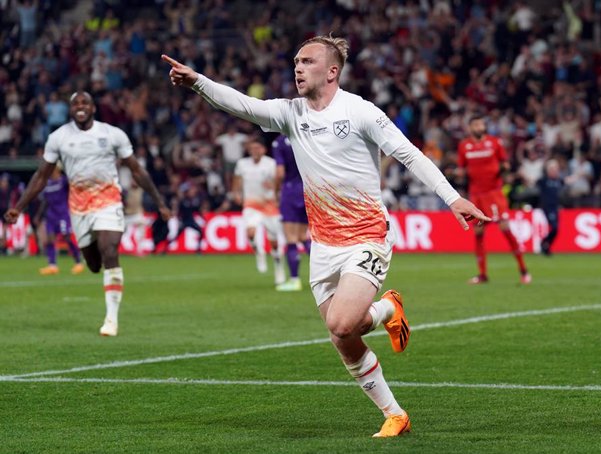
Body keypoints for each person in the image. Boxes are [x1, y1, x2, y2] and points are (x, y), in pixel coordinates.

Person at [162, 35, 489, 437]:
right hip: (324, 243)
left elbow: (409, 153)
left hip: (368, 234)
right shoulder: (289, 113)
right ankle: (395, 412)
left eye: (307, 61)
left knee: (340, 323)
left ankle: (386, 310)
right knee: (343, 338)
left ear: (332, 71)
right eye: (296, 61)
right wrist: (198, 82)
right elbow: (242, 105)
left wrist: (452, 198)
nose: (297, 68)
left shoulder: (361, 111)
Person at [3, 91, 171, 336]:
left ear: (93, 108)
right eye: (75, 104)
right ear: (71, 110)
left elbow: (137, 170)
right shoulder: (58, 138)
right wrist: (19, 207)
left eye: (85, 103)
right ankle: (103, 272)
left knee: (109, 250)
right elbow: (41, 176)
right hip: (79, 206)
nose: (80, 107)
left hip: (109, 200)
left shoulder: (112, 134)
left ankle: (111, 320)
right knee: (93, 264)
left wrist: (159, 202)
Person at [457, 115, 531, 284]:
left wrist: (505, 168)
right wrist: (458, 173)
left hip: (494, 194)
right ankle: (482, 274)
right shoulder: (464, 146)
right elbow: (462, 169)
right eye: (475, 124)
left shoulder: (495, 142)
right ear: (470, 128)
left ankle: (523, 270)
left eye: (481, 124)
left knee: (505, 228)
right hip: (476, 195)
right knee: (478, 233)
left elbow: (505, 163)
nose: (478, 127)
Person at [232, 137, 286, 286]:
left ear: (263, 150)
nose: (255, 151)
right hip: (251, 204)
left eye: (258, 148)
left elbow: (278, 182)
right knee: (250, 233)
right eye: (252, 148)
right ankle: (259, 252)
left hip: (269, 206)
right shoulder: (242, 164)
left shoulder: (271, 164)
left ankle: (278, 267)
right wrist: (236, 193)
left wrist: (275, 190)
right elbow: (236, 179)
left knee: (274, 243)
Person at [273, 134, 310, 291]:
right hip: (309, 189)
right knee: (304, 237)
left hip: (290, 190)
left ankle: (294, 280)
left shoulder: (280, 142)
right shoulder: (306, 135)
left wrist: (276, 191)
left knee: (291, 238)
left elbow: (280, 172)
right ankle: (329, 276)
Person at [35, 165, 85, 274]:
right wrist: (39, 215)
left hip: (62, 214)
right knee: (50, 239)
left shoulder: (63, 181)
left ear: (57, 169)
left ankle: (78, 262)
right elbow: (44, 201)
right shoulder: (47, 184)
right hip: (51, 215)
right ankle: (52, 265)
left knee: (66, 237)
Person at [537, 159, 564, 256]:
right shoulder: (543, 181)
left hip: (555, 207)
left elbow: (567, 182)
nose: (555, 171)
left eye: (556, 169)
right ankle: (544, 243)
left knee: (556, 229)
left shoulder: (558, 181)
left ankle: (546, 246)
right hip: (548, 207)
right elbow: (533, 182)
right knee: (555, 228)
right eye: (553, 169)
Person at [172, 182, 205, 254]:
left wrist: (202, 216)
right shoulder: (183, 201)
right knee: (175, 236)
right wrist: (179, 220)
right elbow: (178, 213)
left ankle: (198, 250)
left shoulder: (193, 201)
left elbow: (197, 210)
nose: (192, 192)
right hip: (184, 221)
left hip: (191, 221)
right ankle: (165, 249)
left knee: (201, 232)